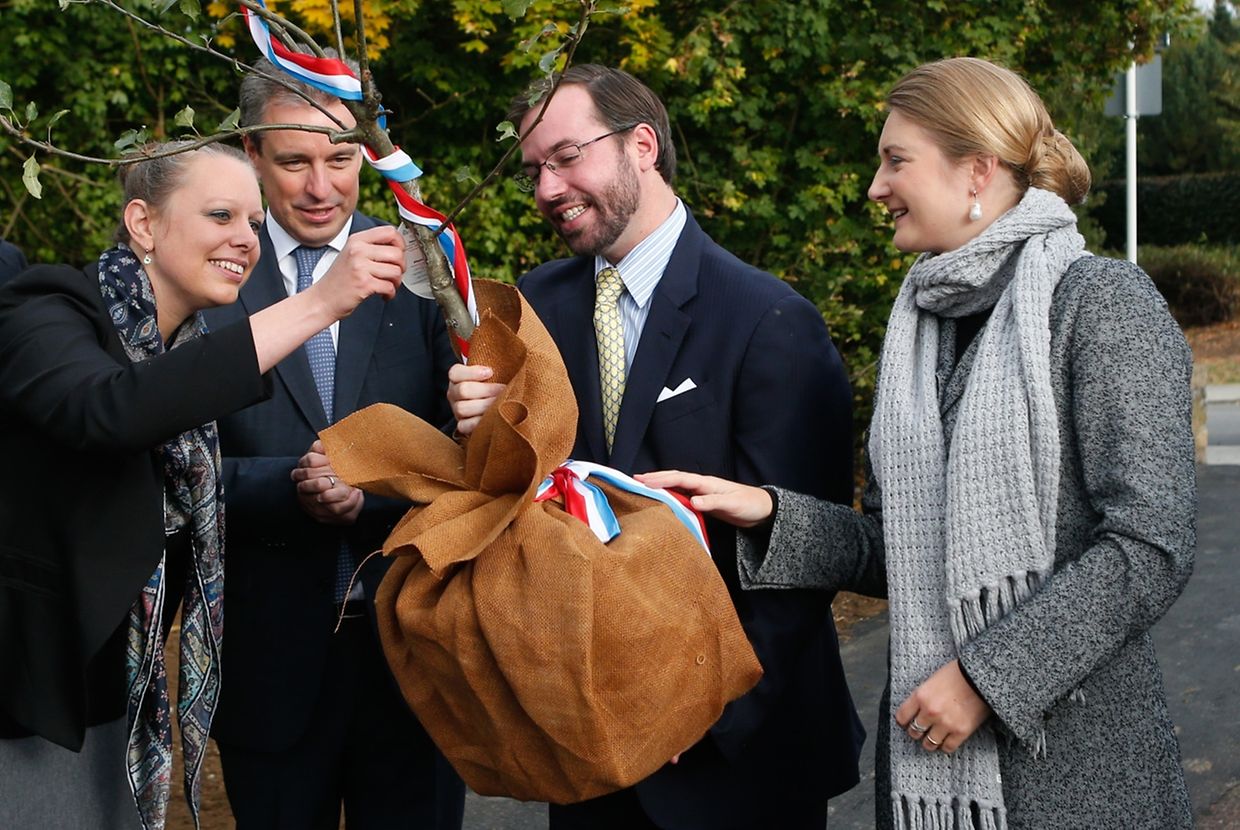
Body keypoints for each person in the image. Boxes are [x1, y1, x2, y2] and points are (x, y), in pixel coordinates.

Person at [641, 57, 1196, 830]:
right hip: (929, 768)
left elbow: (1150, 544)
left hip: (1080, 770)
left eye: (895, 159)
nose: (875, 186)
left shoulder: (1100, 304)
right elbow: (899, 551)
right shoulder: (920, 329)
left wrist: (986, 678)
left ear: (977, 170)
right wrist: (770, 513)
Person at [448, 64, 863, 830]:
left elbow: (803, 560)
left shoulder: (771, 321)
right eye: (536, 169)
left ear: (643, 144)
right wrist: (481, 431)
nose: (546, 188)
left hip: (738, 759)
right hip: (589, 755)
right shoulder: (533, 307)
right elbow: (522, 507)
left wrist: (695, 707)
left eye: (566, 157)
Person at [0, 140, 404, 829]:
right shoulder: (45, 308)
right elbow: (110, 410)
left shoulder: (184, 350)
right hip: (32, 692)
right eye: (221, 214)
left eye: (252, 223)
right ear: (143, 224)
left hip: (127, 692)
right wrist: (318, 305)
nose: (244, 239)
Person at [199, 57, 464, 830]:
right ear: (251, 156)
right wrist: (294, 486)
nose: (322, 188)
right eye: (294, 161)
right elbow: (174, 464)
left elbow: (473, 442)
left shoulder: (426, 263)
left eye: (341, 158)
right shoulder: (209, 279)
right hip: (268, 666)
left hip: (415, 656)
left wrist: (373, 483)